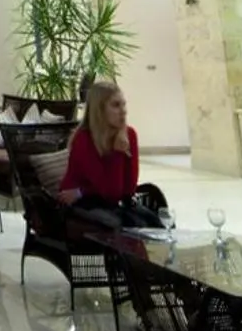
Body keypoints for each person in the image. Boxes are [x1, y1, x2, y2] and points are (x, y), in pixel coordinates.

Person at [58, 81, 165, 228]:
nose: (123, 111)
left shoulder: (130, 135)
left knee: (155, 223)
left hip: (107, 200)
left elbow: (128, 189)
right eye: (116, 105)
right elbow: (110, 191)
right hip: (82, 203)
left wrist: (82, 191)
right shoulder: (83, 139)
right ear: (99, 110)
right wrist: (117, 154)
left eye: (123, 104)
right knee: (117, 225)